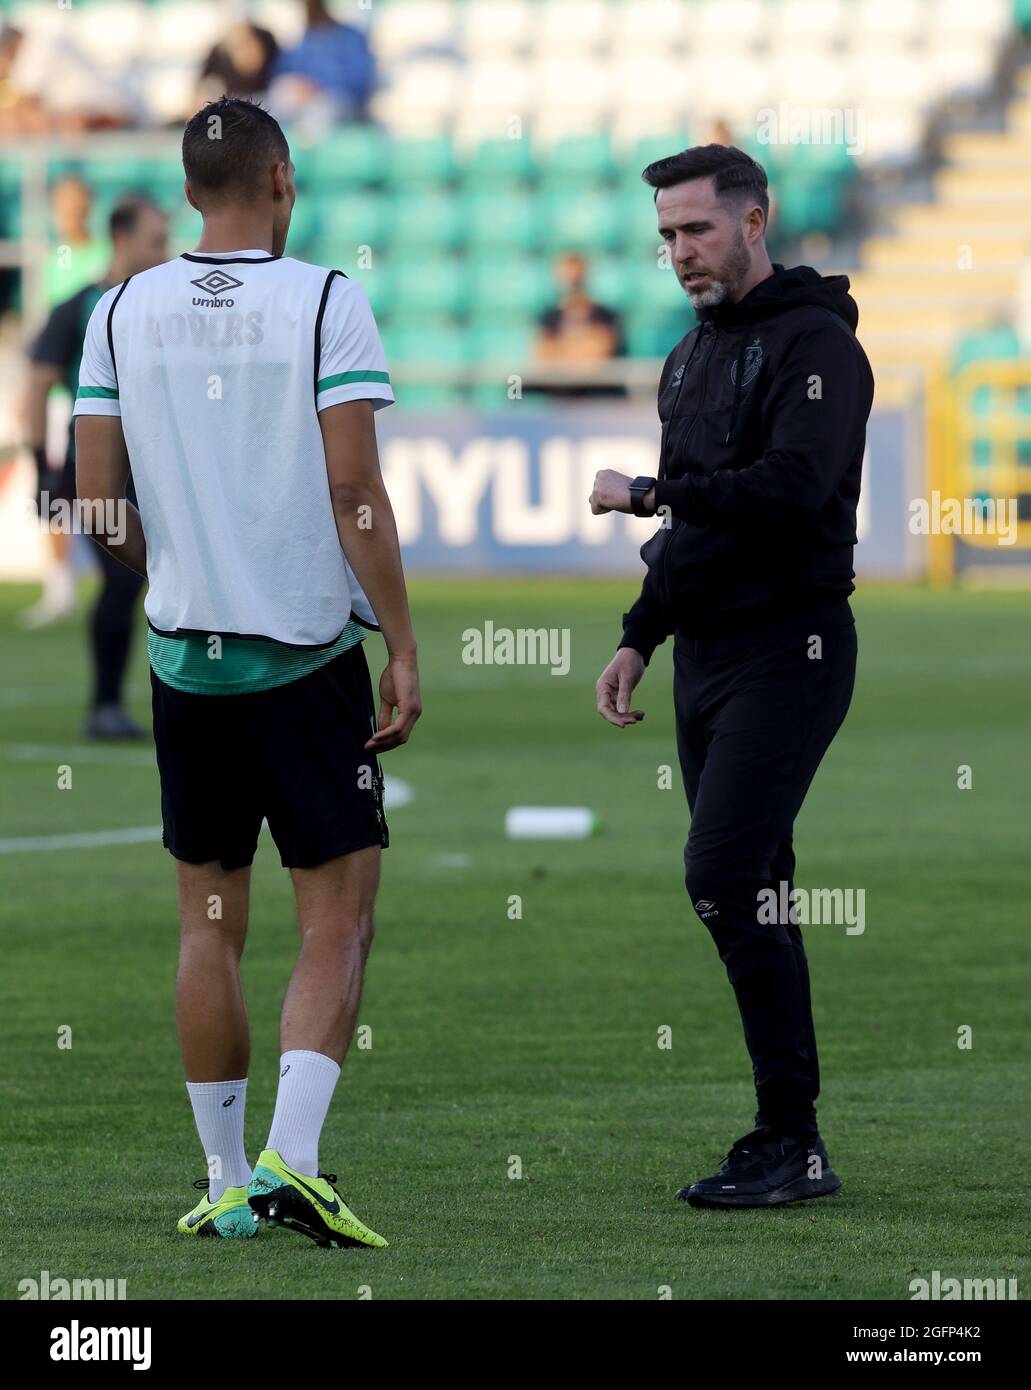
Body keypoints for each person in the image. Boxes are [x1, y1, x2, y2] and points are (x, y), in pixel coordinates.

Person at [73, 97, 420, 1246]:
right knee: (337, 916)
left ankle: (223, 1181)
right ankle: (295, 1159)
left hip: (186, 663)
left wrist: (171, 564)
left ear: (185, 192)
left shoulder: (118, 309)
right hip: (306, 657)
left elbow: (95, 503)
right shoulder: (326, 299)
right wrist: (404, 641)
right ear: (280, 180)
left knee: (207, 924)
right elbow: (353, 490)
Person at [590, 144, 873, 1209]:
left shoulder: (819, 348)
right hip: (704, 652)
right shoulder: (687, 355)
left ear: (755, 220)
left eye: (695, 229)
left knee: (720, 873)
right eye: (664, 234)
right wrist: (638, 633)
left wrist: (652, 492)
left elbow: (793, 489)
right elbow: (703, 529)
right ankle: (788, 1142)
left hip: (788, 650)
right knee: (750, 886)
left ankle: (789, 1139)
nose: (677, 252)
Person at [22, 196, 168, 742]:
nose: (164, 253)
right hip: (97, 470)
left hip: (157, 466)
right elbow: (36, 386)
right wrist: (42, 469)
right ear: (122, 241)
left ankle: (141, 700)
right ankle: (106, 704)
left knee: (146, 582)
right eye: (155, 242)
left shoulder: (165, 306)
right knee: (121, 578)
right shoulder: (81, 307)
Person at [0, 20, 135, 135]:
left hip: (107, 116)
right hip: (99, 115)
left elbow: (21, 105)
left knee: (19, 122)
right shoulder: (41, 39)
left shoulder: (37, 46)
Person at [268, 0, 376, 128]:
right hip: (300, 103)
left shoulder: (351, 37)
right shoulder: (297, 41)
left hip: (341, 105)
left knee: (320, 112)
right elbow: (282, 77)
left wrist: (317, 89)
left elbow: (359, 83)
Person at [532, 251, 626, 398]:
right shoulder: (549, 316)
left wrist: (561, 352)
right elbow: (542, 358)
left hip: (598, 400)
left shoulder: (605, 315)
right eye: (567, 279)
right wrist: (581, 348)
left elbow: (598, 356)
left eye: (576, 280)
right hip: (558, 400)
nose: (572, 285)